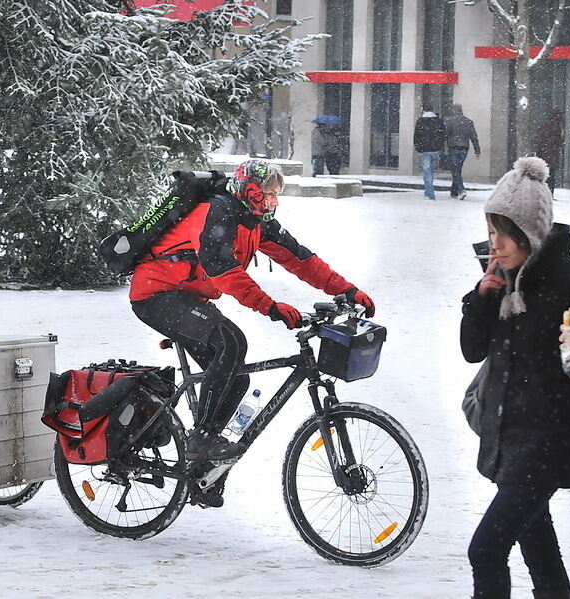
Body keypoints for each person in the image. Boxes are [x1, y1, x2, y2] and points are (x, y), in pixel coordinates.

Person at [129, 159, 375, 504]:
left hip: (187, 295)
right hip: (156, 293)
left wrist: (347, 290)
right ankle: (201, 439)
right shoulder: (219, 212)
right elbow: (223, 272)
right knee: (232, 341)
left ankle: (202, 470)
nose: (273, 200)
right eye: (268, 192)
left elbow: (302, 260)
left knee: (237, 378)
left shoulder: (257, 222)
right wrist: (271, 306)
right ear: (250, 189)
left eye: (277, 194)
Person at [460, 156, 570, 599]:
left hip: (546, 440)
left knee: (485, 550)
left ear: (531, 231)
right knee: (540, 550)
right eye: (491, 232)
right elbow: (472, 351)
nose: (495, 244)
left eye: (504, 234)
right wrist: (482, 299)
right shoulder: (502, 278)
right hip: (509, 435)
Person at [444, 103, 481, 200]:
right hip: (464, 147)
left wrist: (441, 145)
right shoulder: (468, 122)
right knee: (457, 169)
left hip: (454, 147)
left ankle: (461, 190)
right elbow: (474, 137)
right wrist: (477, 150)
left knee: (455, 170)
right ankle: (454, 191)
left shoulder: (449, 120)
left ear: (453, 110)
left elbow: (446, 134)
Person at [413, 103, 446, 200]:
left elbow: (417, 136)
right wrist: (439, 146)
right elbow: (442, 135)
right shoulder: (439, 121)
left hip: (425, 150)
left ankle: (429, 192)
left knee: (427, 171)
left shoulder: (421, 121)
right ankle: (429, 190)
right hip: (435, 150)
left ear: (424, 110)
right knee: (431, 171)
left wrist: (418, 148)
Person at [535, 108, 564, 193]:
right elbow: (554, 139)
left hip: (545, 153)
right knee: (550, 175)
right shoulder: (555, 125)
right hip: (550, 153)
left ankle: (546, 192)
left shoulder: (546, 124)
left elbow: (541, 139)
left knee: (547, 174)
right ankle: (549, 192)